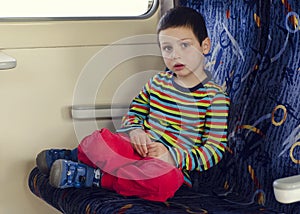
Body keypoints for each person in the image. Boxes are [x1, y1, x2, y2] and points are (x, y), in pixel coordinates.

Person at [35, 6, 230, 202]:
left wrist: (172, 156)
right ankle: (75, 156)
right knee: (100, 140)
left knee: (164, 182)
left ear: (205, 46)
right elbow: (135, 112)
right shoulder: (158, 82)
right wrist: (136, 131)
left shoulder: (216, 98)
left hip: (168, 165)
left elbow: (214, 149)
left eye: (185, 45)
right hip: (135, 149)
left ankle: (97, 177)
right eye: (167, 48)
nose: (175, 55)